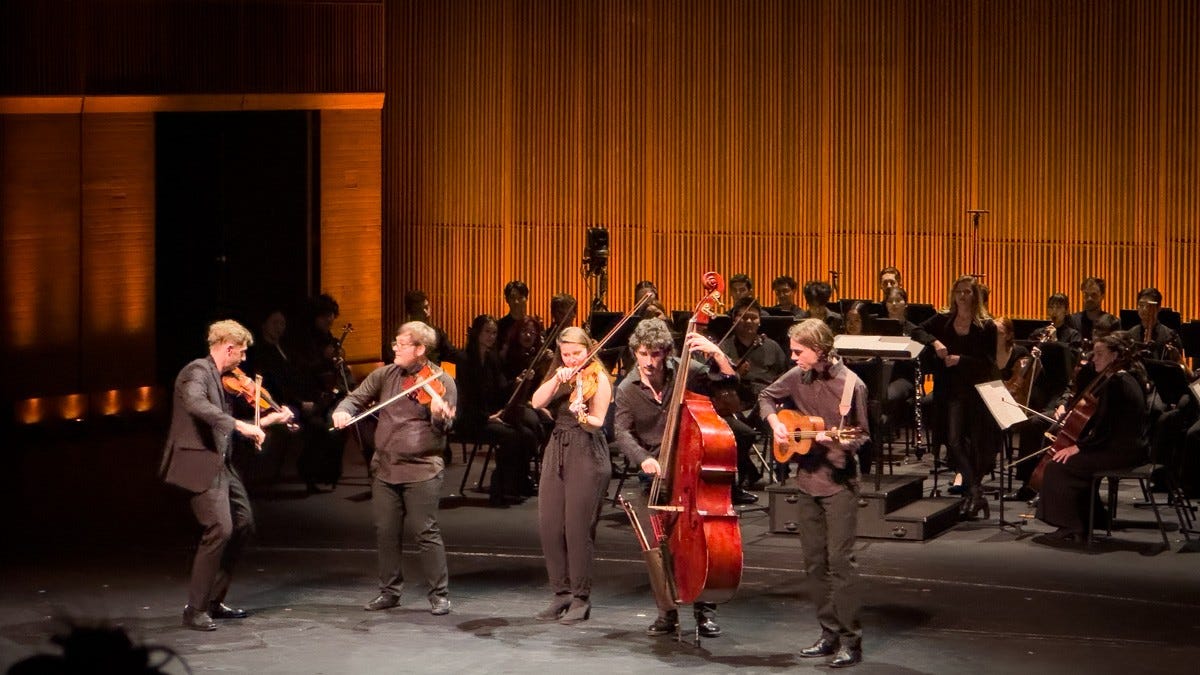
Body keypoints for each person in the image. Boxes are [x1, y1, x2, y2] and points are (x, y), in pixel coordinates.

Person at [159, 320, 294, 631]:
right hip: (198, 462)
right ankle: (195, 609)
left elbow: (233, 423)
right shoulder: (196, 372)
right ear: (228, 348)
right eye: (242, 353)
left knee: (243, 522)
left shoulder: (223, 378)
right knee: (220, 526)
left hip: (221, 463)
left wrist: (268, 419)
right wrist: (238, 425)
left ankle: (213, 601)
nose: (244, 360)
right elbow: (196, 405)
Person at [610, 318, 738, 639]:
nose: (650, 362)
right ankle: (666, 612)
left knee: (701, 543)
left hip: (690, 470)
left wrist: (718, 356)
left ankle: (704, 610)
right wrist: (645, 459)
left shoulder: (686, 371)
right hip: (653, 476)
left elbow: (729, 389)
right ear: (634, 353)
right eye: (643, 354)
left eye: (656, 355)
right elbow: (622, 433)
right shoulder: (627, 389)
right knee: (657, 548)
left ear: (667, 353)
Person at [759, 319, 870, 669]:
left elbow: (862, 435)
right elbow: (765, 397)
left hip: (839, 483)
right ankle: (828, 632)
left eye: (798, 351)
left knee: (840, 562)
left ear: (819, 350)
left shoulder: (853, 385)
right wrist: (777, 424)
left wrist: (838, 440)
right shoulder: (797, 377)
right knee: (814, 563)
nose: (792, 357)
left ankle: (852, 640)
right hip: (806, 479)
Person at [331, 322, 457, 616]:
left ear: (420, 349)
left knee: (425, 531)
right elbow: (355, 398)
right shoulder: (385, 375)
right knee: (386, 531)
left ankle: (439, 595)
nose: (395, 349)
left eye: (401, 344)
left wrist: (439, 414)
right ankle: (389, 592)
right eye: (395, 343)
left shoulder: (441, 381)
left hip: (422, 468)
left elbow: (445, 426)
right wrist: (342, 411)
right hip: (386, 467)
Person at [529, 327, 613, 624]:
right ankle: (560, 593)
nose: (572, 359)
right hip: (558, 448)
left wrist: (581, 413)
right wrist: (555, 379)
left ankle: (580, 597)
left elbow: (597, 423)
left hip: (587, 451)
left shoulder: (598, 377)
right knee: (550, 524)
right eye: (566, 355)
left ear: (588, 350)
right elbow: (536, 402)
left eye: (577, 354)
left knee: (577, 529)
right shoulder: (562, 374)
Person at [1036, 334, 1149, 543]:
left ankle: (1072, 526)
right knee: (1069, 462)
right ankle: (1090, 520)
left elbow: (1106, 429)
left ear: (1114, 356)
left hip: (1120, 451)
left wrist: (1080, 447)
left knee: (1058, 465)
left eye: (1099, 354)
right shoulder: (1124, 378)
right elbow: (1104, 424)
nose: (1093, 359)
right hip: (1128, 448)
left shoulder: (1117, 383)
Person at [915, 276, 1001, 519]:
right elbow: (914, 329)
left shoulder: (987, 326)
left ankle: (971, 492)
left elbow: (988, 363)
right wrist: (934, 341)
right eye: (959, 292)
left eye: (968, 292)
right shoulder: (943, 320)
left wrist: (960, 360)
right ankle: (974, 491)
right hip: (949, 390)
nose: (963, 296)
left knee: (971, 442)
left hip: (974, 391)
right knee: (953, 441)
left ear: (976, 296)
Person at [456, 314, 539, 506]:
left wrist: (517, 382)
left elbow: (501, 389)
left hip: (489, 415)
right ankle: (498, 489)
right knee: (512, 436)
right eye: (487, 332)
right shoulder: (464, 359)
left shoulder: (492, 358)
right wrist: (488, 417)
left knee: (526, 434)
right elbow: (467, 398)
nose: (491, 336)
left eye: (494, 333)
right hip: (471, 419)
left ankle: (515, 484)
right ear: (477, 333)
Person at [1125, 287, 1183, 362]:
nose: (1144, 309)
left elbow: (1177, 367)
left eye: (1149, 306)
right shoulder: (1130, 335)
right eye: (1141, 305)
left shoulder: (1170, 336)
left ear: (1158, 308)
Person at [404, 289, 460, 363]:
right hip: (431, 373)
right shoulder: (435, 333)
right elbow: (452, 355)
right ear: (425, 310)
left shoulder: (397, 334)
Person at [1068, 277, 1117, 342]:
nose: (1089, 299)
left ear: (1102, 296)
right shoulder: (1072, 321)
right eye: (1086, 295)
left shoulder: (1113, 322)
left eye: (1094, 295)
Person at [497, 280, 530, 349]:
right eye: (512, 298)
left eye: (520, 297)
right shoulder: (500, 326)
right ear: (507, 300)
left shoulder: (533, 324)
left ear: (526, 298)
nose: (516, 302)